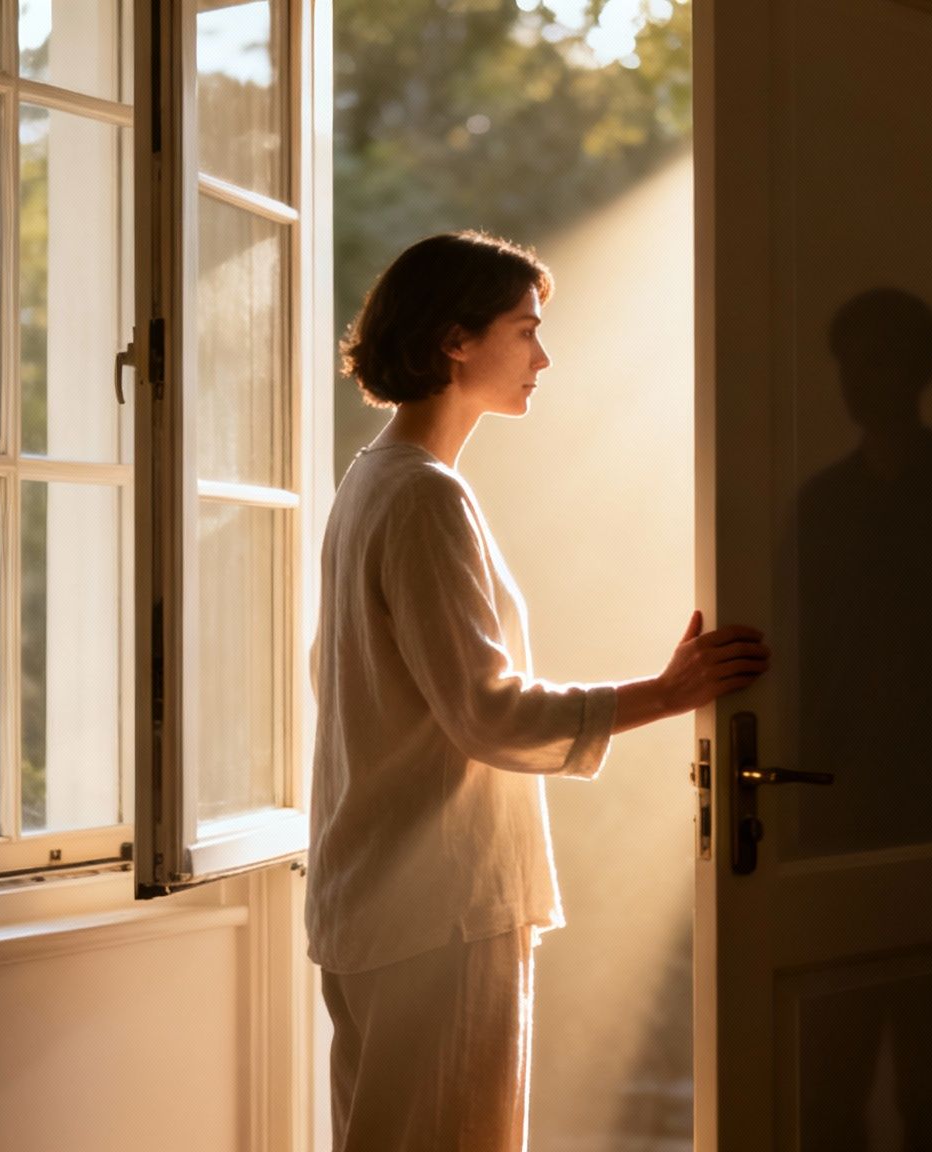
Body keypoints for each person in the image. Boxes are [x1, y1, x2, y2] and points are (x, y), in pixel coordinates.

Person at [308, 230, 770, 1151]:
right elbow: (487, 712)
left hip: (387, 902)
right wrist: (668, 693)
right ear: (456, 341)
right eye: (525, 330)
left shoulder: (375, 480)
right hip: (435, 910)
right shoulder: (421, 497)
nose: (543, 356)